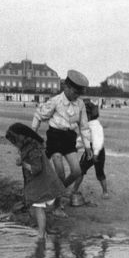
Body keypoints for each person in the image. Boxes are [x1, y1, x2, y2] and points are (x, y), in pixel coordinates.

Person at [31, 69, 91, 215]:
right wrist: (33, 133)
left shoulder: (80, 104)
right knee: (60, 173)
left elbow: (84, 127)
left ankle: (57, 191)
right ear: (66, 87)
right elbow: (39, 115)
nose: (76, 96)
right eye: (74, 92)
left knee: (77, 171)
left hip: (69, 139)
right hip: (55, 138)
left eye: (79, 93)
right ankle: (57, 207)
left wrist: (88, 147)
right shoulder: (55, 101)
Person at [5, 123, 66, 240]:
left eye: (14, 142)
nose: (14, 145)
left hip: (41, 183)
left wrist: (23, 164)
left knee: (39, 208)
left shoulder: (32, 149)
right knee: (40, 207)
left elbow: (36, 169)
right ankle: (46, 230)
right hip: (43, 181)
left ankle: (41, 236)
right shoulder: (31, 145)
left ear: (20, 138)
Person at [71, 100, 109, 200]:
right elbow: (83, 139)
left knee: (97, 172)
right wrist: (74, 147)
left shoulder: (95, 126)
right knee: (82, 170)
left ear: (89, 114)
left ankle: (105, 192)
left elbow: (98, 140)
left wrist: (95, 153)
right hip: (93, 150)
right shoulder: (89, 125)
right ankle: (75, 190)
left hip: (97, 151)